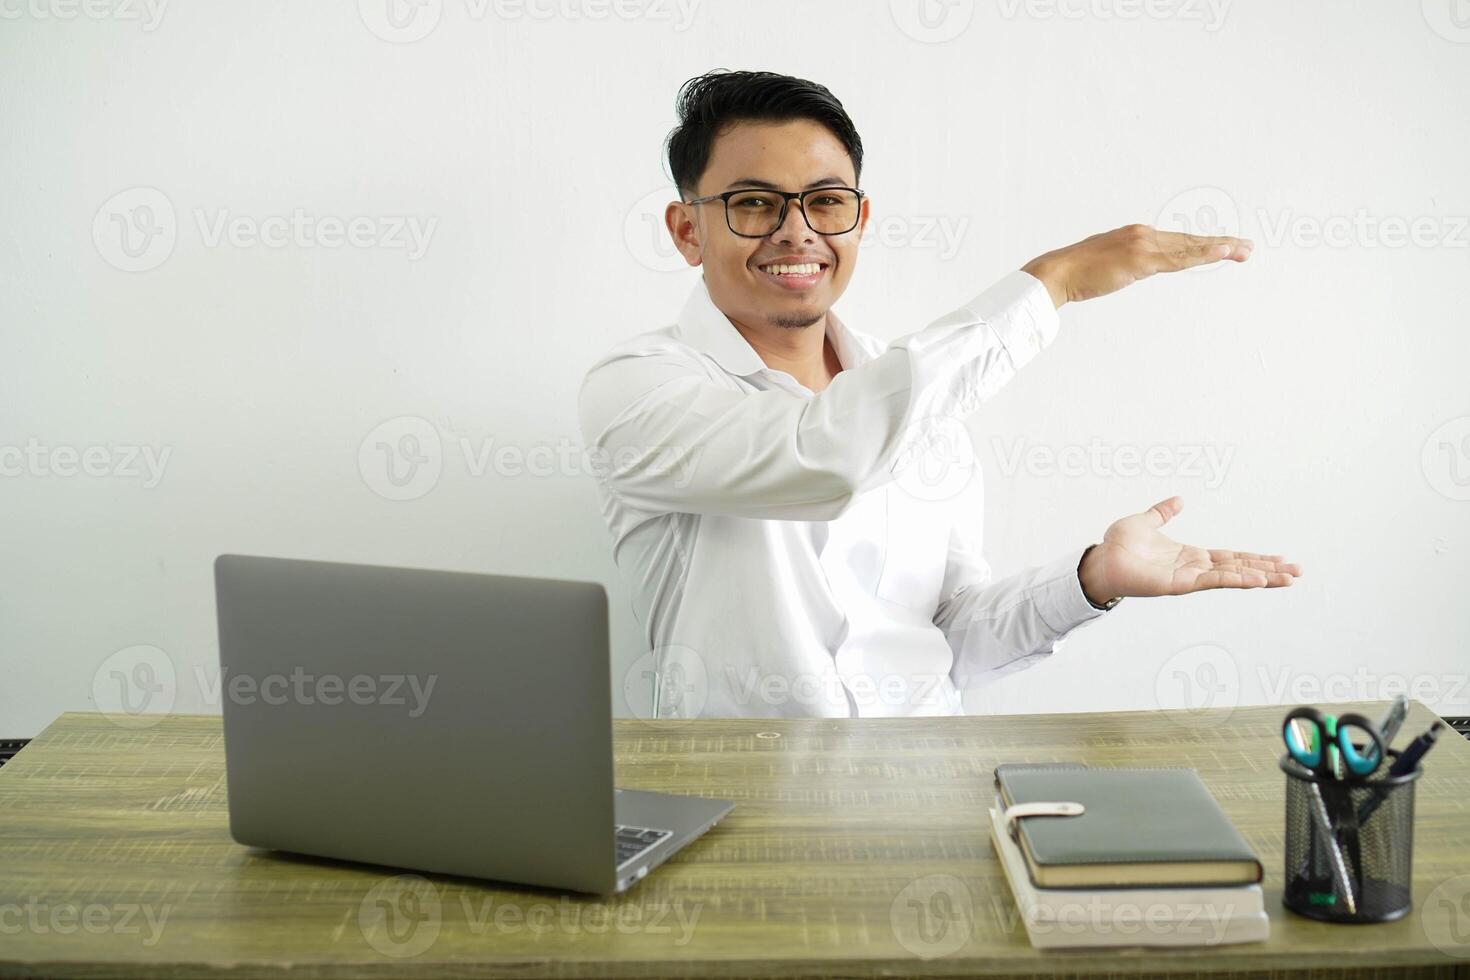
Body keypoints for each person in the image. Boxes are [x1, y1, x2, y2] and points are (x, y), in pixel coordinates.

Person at [578, 70, 1300, 719]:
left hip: (924, 798)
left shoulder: (926, 399)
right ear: (686, 231)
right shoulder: (639, 388)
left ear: (858, 220)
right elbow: (822, 460)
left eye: (825, 203)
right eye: (755, 203)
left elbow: (947, 637)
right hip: (740, 813)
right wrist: (1052, 282)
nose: (796, 232)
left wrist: (1088, 580)